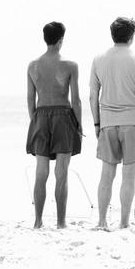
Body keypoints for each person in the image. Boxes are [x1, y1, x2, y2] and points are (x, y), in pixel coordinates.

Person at [90, 17, 135, 230]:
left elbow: (93, 95)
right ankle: (123, 222)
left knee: (106, 174)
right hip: (133, 123)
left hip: (107, 123)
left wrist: (96, 124)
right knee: (129, 175)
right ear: (131, 36)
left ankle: (102, 221)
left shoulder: (98, 59)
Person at [26, 21, 83, 229]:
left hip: (40, 116)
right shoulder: (70, 65)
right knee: (62, 172)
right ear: (61, 40)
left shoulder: (32, 65)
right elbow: (76, 101)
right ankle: (60, 222)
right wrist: (79, 124)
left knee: (41, 172)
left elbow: (30, 101)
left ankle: (38, 221)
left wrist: (35, 122)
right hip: (63, 116)